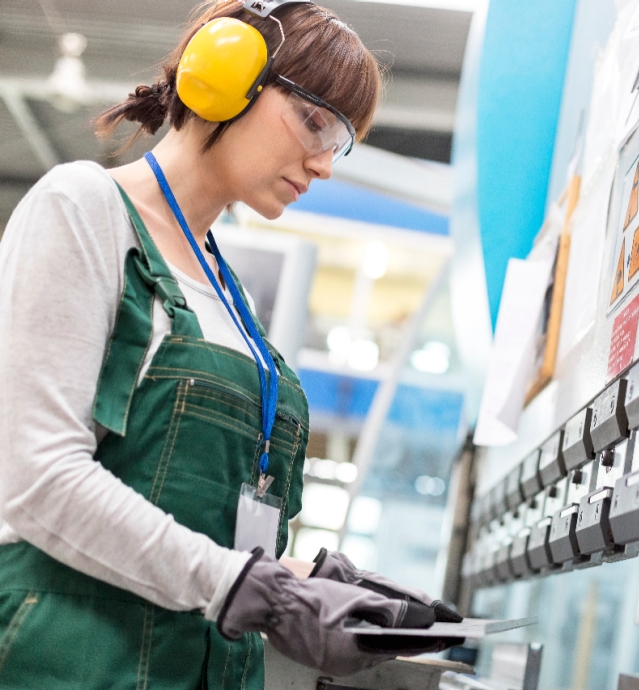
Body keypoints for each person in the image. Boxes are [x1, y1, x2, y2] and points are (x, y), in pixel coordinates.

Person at [0, 1, 460, 687]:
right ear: (225, 77)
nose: (325, 163)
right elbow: (36, 479)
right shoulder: (85, 209)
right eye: (315, 121)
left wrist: (312, 580)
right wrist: (250, 587)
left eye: (341, 141)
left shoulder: (231, 296)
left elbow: (199, 514)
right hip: (74, 660)